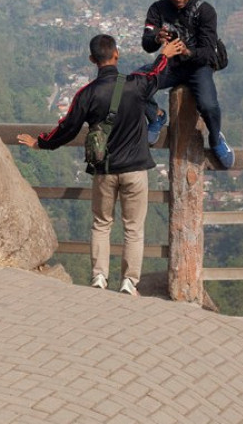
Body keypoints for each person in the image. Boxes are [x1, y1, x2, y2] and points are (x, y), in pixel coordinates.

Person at [18, 34, 184, 296]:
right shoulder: (135, 85)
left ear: (92, 60)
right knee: (133, 228)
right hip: (135, 169)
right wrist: (165, 53)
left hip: (105, 171)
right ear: (116, 54)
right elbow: (155, 74)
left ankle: (99, 277)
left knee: (101, 224)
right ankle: (129, 281)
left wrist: (41, 143)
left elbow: (67, 128)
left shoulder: (87, 94)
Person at [142, 0, 234, 169]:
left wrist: (187, 51)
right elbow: (146, 43)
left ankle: (216, 138)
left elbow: (209, 53)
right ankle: (155, 115)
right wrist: (156, 37)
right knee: (134, 83)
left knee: (208, 105)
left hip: (197, 67)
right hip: (170, 65)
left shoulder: (205, 11)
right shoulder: (157, 9)